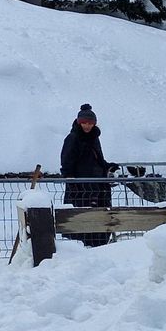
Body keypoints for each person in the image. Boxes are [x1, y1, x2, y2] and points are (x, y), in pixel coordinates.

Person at [60, 104, 111, 247]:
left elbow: (98, 159)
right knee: (81, 215)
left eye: (90, 123)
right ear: (79, 122)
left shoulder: (94, 138)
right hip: (80, 185)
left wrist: (107, 166)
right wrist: (70, 177)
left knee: (100, 213)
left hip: (97, 184)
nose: (87, 126)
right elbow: (66, 160)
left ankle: (99, 244)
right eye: (84, 123)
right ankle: (82, 246)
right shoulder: (73, 138)